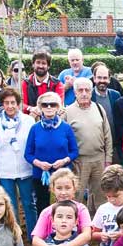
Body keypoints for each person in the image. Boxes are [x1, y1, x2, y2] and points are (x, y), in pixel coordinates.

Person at [23, 92, 79, 220]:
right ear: (40, 107)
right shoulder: (35, 128)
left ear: (58, 107)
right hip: (41, 175)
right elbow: (28, 154)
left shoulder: (66, 128)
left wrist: (64, 161)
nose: (49, 107)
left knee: (64, 205)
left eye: (52, 104)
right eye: (45, 104)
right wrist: (39, 164)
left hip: (63, 175)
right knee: (43, 206)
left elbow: (74, 151)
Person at [0, 88, 37, 234]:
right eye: (6, 103)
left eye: (13, 103)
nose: (10, 106)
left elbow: (33, 145)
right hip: (5, 172)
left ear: (18, 104)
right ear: (2, 104)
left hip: (25, 170)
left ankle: (33, 234)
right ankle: (15, 233)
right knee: (10, 204)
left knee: (29, 203)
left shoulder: (29, 121)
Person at [29, 168, 93, 246]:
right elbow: (36, 240)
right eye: (59, 188)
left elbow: (87, 235)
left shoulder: (81, 209)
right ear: (52, 189)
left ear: (74, 188)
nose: (63, 192)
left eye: (67, 188)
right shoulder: (46, 212)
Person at [92, 63, 122, 163]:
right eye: (99, 77)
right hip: (96, 147)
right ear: (94, 78)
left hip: (114, 146)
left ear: (109, 79)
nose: (102, 81)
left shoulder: (115, 95)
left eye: (105, 78)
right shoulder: (89, 96)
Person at [21, 50, 63, 118]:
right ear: (33, 64)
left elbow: (59, 105)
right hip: (31, 119)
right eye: (38, 62)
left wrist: (41, 110)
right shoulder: (25, 83)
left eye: (44, 63)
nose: (40, 66)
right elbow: (22, 104)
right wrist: (31, 108)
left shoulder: (57, 84)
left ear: (48, 66)